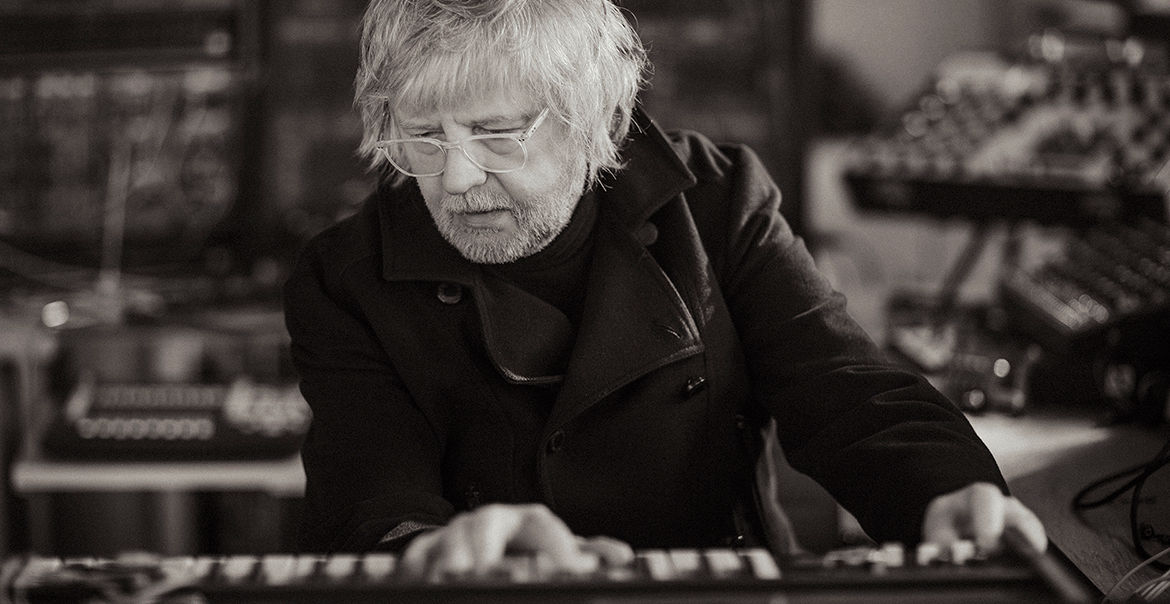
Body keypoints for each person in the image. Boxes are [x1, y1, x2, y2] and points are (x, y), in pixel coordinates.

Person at [282, 0, 1048, 579]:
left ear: (600, 120)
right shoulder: (344, 276)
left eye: (495, 133)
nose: (454, 179)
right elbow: (370, 495)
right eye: (423, 136)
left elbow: (847, 392)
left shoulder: (718, 201)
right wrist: (432, 557)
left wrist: (945, 491)